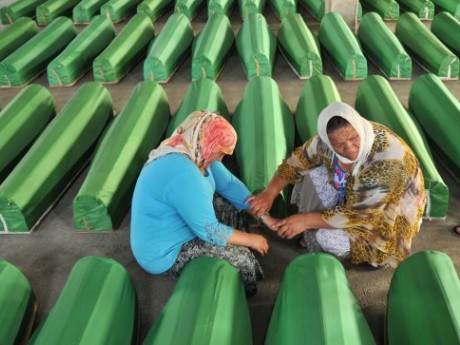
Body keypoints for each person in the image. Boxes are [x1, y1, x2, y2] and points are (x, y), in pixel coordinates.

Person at [248, 102, 427, 268]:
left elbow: (360, 215)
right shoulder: (323, 143)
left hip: (383, 213)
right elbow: (295, 163)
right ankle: (313, 230)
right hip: (353, 196)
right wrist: (269, 193)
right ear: (328, 140)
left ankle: (367, 256)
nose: (349, 148)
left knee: (328, 238)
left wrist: (305, 220)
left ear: (359, 127)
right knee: (312, 174)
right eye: (339, 144)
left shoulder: (386, 160)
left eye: (353, 138)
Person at [130, 110, 268, 295]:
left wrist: (266, 218)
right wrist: (251, 240)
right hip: (164, 251)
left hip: (178, 222)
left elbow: (229, 185)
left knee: (232, 207)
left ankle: (232, 242)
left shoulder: (196, 150)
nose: (221, 159)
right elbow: (209, 230)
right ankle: (239, 300)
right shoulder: (183, 172)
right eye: (220, 153)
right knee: (242, 259)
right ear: (208, 143)